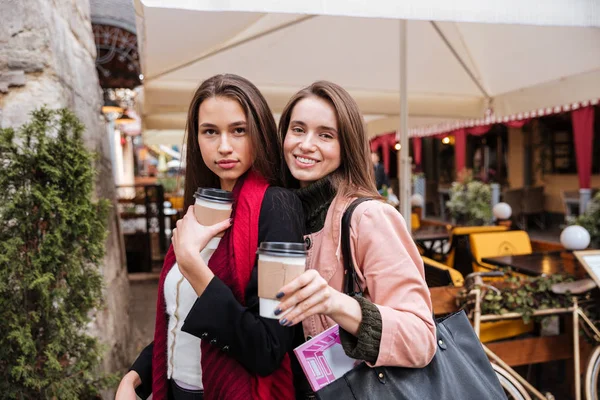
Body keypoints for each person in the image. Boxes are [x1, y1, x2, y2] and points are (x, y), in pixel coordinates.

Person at [115, 74, 304, 400]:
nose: (224, 146)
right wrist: (135, 376)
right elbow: (179, 315)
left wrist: (192, 264)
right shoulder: (202, 207)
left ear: (258, 132)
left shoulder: (279, 208)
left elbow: (269, 347)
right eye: (210, 132)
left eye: (238, 130)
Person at [275, 81, 436, 396]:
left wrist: (338, 304)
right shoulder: (280, 214)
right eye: (298, 129)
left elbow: (420, 338)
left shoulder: (369, 218)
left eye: (325, 135)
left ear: (346, 145)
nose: (306, 144)